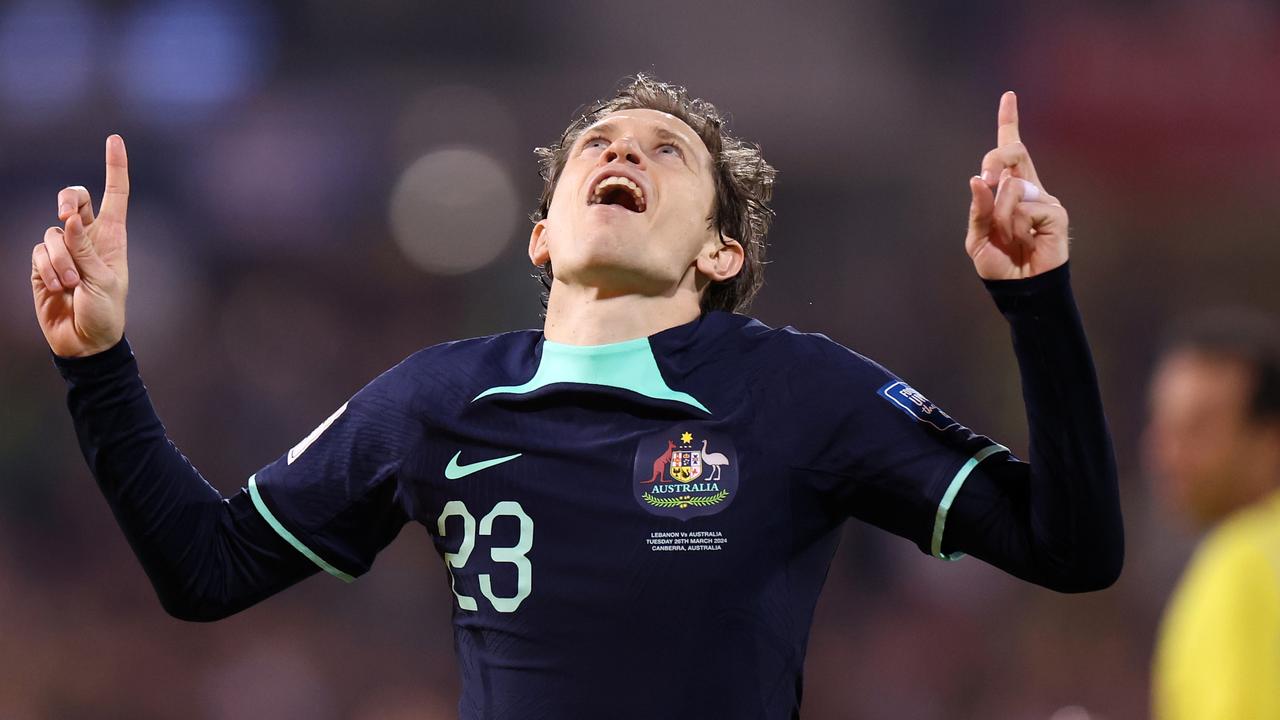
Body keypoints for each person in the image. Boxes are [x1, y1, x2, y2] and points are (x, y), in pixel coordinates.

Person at [32, 75, 1123, 718]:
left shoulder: (798, 390)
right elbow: (206, 569)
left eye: (664, 151)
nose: (621, 150)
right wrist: (99, 364)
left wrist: (1037, 303)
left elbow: (1067, 547)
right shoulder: (434, 397)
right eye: (597, 144)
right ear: (544, 234)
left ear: (715, 250)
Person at [1146, 311, 1280, 720]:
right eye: (1163, 424)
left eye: (1198, 428)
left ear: (1270, 439)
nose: (1168, 454)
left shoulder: (1243, 564)